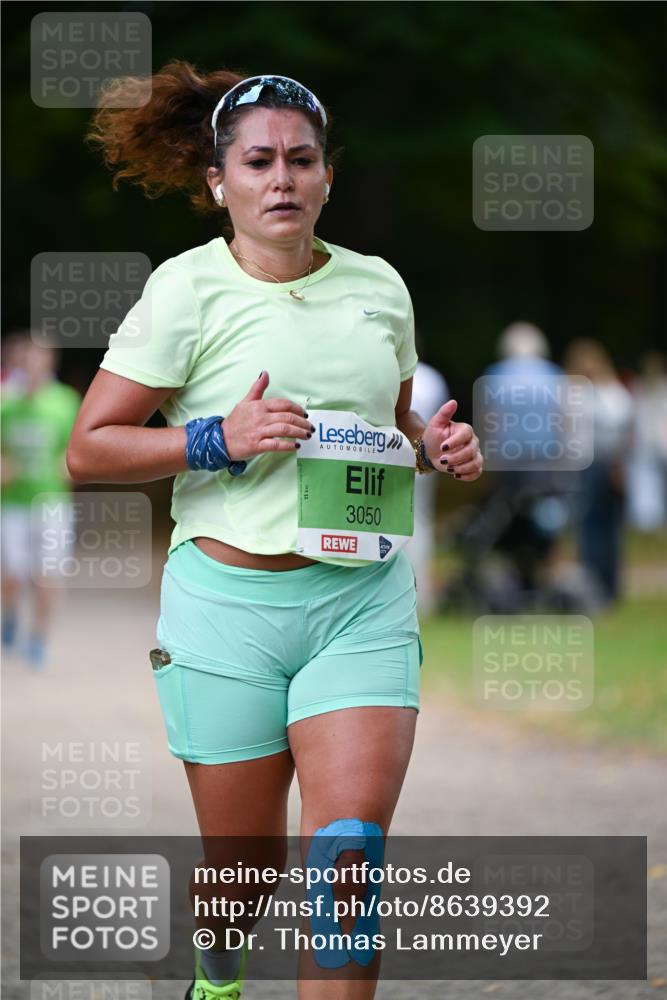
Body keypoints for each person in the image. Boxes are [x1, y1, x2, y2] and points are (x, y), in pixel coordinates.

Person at [68, 65, 483, 1000]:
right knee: (240, 876)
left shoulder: (378, 286)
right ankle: (218, 965)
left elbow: (387, 427)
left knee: (347, 862)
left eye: (301, 160)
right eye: (258, 162)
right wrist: (218, 437)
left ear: (328, 176)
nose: (282, 179)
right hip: (227, 609)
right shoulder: (185, 292)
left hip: (357, 605)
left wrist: (436, 447)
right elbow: (88, 449)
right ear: (219, 181)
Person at [1, 333, 81, 667]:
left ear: (49, 365)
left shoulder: (64, 402)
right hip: (13, 504)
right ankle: (10, 617)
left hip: (52, 505)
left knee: (49, 573)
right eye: (25, 362)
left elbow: (78, 449)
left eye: (38, 361)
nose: (31, 368)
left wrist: (67, 466)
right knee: (14, 574)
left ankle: (38, 639)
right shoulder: (5, 403)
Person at [564, 338, 634, 604]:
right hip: (590, 466)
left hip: (603, 465)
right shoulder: (584, 391)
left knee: (602, 528)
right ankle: (597, 587)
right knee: (594, 529)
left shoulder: (605, 391)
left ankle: (607, 586)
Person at [402, 341, 449, 616]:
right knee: (420, 521)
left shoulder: (385, 374)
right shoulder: (433, 378)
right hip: (425, 455)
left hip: (398, 455)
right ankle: (422, 597)